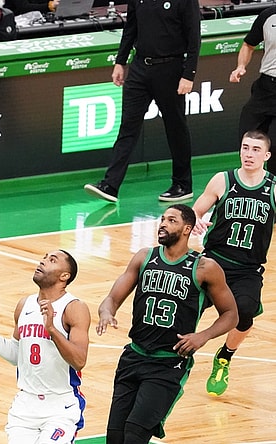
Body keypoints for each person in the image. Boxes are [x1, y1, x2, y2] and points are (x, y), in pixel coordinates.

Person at [96, 204, 238, 443]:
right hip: (133, 357)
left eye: (171, 220)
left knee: (134, 435)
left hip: (168, 364)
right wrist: (106, 312)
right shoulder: (144, 257)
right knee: (115, 437)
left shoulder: (204, 268)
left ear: (187, 229)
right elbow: (111, 298)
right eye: (162, 219)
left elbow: (231, 314)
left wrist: (202, 336)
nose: (162, 224)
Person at [84, 0, 200, 204]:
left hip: (170, 68)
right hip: (139, 67)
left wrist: (189, 74)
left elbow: (194, 36)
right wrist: (120, 62)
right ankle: (110, 185)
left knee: (176, 127)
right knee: (127, 127)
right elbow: (131, 28)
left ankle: (183, 184)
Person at [0, 249, 90, 444]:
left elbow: (79, 361)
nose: (43, 261)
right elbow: (16, 355)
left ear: (64, 276)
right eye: (44, 257)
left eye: (52, 260)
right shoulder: (24, 305)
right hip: (25, 406)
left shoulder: (74, 307)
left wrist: (52, 329)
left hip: (60, 406)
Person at [191, 129, 276, 397]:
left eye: (255, 149)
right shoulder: (223, 180)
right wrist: (195, 220)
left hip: (248, 270)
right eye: (245, 147)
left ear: (266, 155)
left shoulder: (273, 187)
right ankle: (172, 359)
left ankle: (224, 357)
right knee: (185, 309)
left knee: (244, 315)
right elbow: (196, 210)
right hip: (213, 261)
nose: (249, 154)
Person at [229, 6, 276, 175]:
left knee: (275, 146)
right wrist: (240, 66)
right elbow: (249, 44)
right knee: (247, 134)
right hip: (265, 86)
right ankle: (249, 183)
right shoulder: (268, 16)